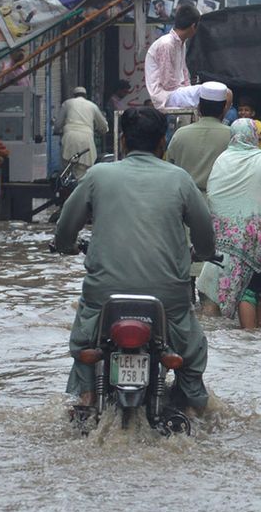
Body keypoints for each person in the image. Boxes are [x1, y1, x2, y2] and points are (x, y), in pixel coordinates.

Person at [53, 106, 216, 416]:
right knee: (191, 353)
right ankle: (193, 406)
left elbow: (65, 227)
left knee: (85, 340)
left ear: (123, 142)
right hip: (168, 297)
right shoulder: (181, 179)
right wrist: (205, 254)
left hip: (104, 295)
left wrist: (65, 246)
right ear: (162, 144)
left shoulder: (98, 175)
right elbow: (205, 234)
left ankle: (88, 396)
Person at [197, 119, 261, 329]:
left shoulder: (222, 161)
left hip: (229, 244)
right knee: (258, 289)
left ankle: (248, 341)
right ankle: (255, 337)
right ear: (253, 136)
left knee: (247, 291)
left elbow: (214, 197)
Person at [164, 81, 233, 195]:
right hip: (221, 203)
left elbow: (169, 168)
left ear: (199, 107)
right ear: (224, 108)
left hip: (185, 202)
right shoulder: (232, 135)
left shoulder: (180, 134)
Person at [144, 5, 202, 111]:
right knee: (215, 94)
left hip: (177, 93)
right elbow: (168, 83)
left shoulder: (181, 43)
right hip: (166, 96)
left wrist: (188, 90)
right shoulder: (167, 44)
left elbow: (184, 73)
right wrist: (188, 92)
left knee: (215, 93)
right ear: (193, 26)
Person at [54, 86, 108, 179]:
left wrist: (56, 130)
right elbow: (103, 125)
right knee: (84, 170)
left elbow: (58, 124)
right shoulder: (92, 106)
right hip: (86, 139)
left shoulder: (67, 103)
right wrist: (103, 130)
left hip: (69, 137)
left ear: (74, 95)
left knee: (67, 167)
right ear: (85, 96)